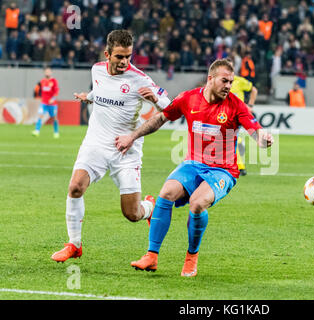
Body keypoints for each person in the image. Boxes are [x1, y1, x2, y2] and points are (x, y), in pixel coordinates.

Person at [115, 59, 274, 277]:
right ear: (211, 79)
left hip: (223, 171)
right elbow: (161, 117)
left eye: (231, 81)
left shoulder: (236, 105)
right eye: (224, 80)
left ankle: (191, 257)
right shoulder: (188, 99)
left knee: (197, 204)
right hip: (192, 164)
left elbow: (255, 129)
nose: (228, 85)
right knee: (166, 193)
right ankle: (151, 256)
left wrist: (263, 138)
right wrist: (132, 136)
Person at [51, 30, 172, 263]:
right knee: (75, 186)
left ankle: (150, 207)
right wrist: (90, 97)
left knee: (132, 213)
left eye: (128, 56)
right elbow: (102, 91)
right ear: (107, 54)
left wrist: (157, 101)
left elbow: (170, 109)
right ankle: (74, 244)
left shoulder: (140, 79)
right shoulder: (96, 69)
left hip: (126, 149)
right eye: (119, 57)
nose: (124, 62)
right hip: (96, 142)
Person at [227, 57, 258, 176]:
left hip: (236, 115)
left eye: (230, 67)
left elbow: (254, 90)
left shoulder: (240, 81)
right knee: (232, 138)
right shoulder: (219, 82)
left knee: (233, 137)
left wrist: (250, 105)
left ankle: (239, 166)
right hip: (223, 115)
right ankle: (236, 165)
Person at [32, 67, 60, 138]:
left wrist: (53, 99)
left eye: (49, 71)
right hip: (44, 103)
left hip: (52, 104)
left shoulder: (54, 81)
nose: (47, 73)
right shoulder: (42, 81)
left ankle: (56, 132)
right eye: (46, 71)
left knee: (54, 118)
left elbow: (56, 92)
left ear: (51, 72)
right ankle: (37, 131)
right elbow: (40, 91)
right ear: (44, 73)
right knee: (40, 115)